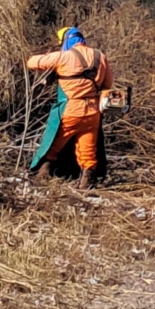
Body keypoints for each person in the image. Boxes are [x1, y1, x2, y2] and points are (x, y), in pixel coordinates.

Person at [27, 26, 114, 189]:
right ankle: (86, 183)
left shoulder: (63, 57)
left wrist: (48, 56)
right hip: (93, 112)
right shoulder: (100, 56)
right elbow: (108, 84)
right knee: (87, 148)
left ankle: (42, 176)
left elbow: (31, 62)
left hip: (70, 110)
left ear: (66, 40)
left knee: (53, 145)